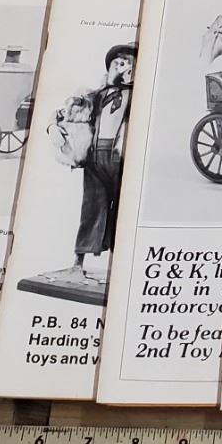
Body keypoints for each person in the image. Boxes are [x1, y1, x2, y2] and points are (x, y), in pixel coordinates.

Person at [75, 43, 134, 278]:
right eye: (117, 62)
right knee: (91, 206)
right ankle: (78, 262)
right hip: (95, 156)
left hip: (121, 157)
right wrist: (54, 125)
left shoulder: (137, 96)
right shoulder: (99, 94)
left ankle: (118, 265)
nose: (121, 66)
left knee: (122, 210)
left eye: (127, 62)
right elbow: (72, 111)